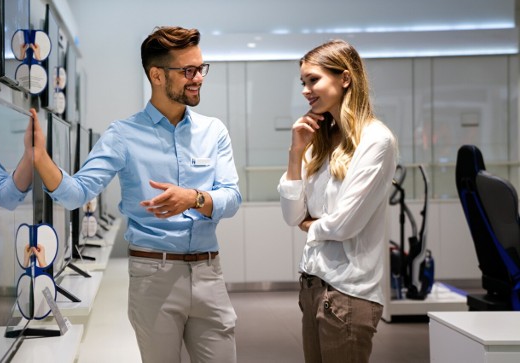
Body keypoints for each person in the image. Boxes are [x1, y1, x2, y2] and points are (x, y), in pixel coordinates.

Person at [29, 26, 241, 363]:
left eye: (201, 68)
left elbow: (232, 198)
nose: (198, 77)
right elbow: (75, 194)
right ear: (157, 75)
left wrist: (193, 198)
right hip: (153, 276)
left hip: (209, 274)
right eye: (188, 70)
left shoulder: (214, 132)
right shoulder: (123, 135)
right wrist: (41, 160)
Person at [277, 39, 397, 363]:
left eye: (313, 79)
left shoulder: (376, 140)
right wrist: (296, 152)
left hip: (348, 294)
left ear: (345, 78)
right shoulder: (317, 140)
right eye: (303, 82)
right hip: (312, 287)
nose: (306, 90)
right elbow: (291, 214)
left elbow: (345, 224)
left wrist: (312, 226)